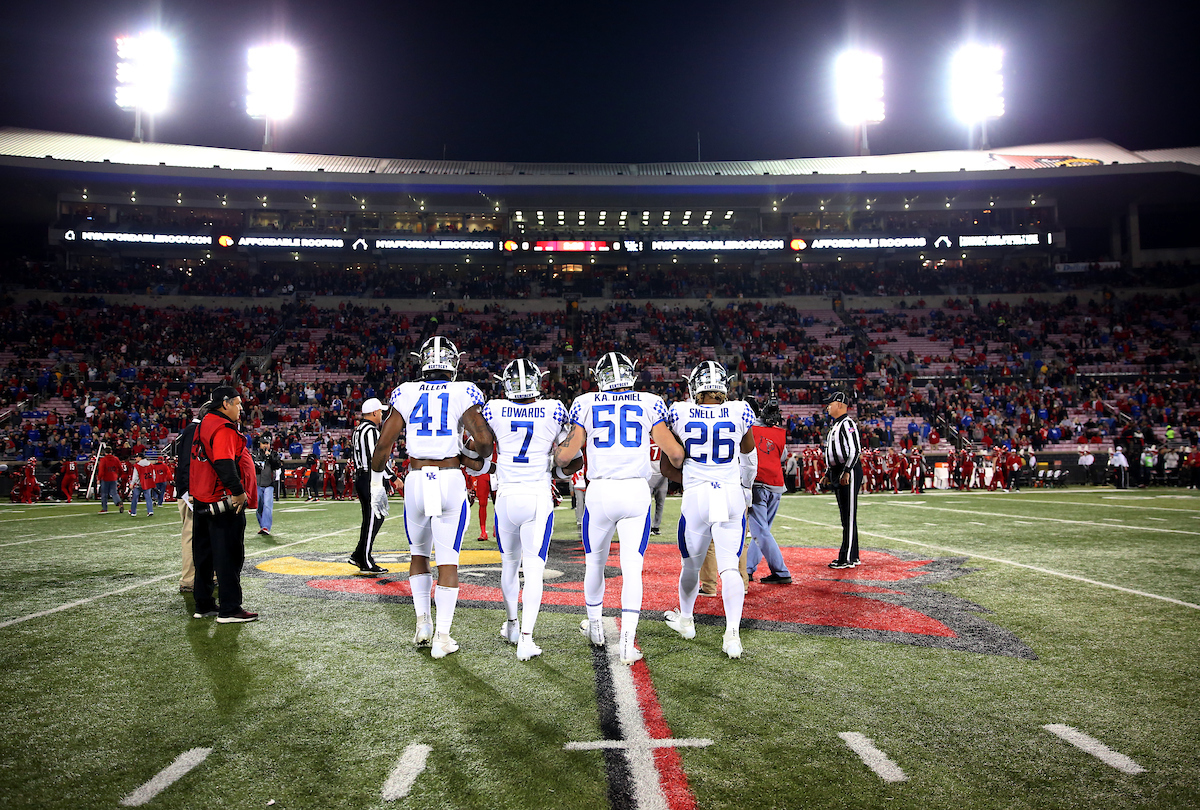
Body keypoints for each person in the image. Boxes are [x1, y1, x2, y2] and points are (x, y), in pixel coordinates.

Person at [554, 351, 685, 666]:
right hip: (635, 491)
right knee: (632, 569)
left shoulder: (585, 402)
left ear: (600, 377)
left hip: (599, 491)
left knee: (594, 564)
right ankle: (627, 644)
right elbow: (676, 456)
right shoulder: (650, 402)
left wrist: (562, 451)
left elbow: (564, 457)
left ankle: (596, 628)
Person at [370, 336, 495, 659]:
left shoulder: (407, 391)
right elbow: (483, 440)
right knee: (448, 559)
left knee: (418, 554)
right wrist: (474, 456)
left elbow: (385, 444)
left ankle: (423, 621)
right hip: (448, 477)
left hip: (416, 479)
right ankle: (442, 636)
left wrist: (375, 482)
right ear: (453, 363)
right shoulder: (461, 390)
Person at [482, 358, 579, 661]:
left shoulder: (494, 408)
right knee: (534, 570)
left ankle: (512, 625)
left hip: (506, 497)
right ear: (538, 381)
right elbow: (567, 461)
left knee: (509, 566)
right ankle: (526, 638)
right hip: (536, 497)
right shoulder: (553, 409)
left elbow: (478, 448)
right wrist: (557, 469)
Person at [659, 361, 757, 659]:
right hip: (729, 494)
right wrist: (747, 492)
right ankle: (732, 636)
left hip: (697, 495)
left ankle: (687, 621)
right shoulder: (741, 409)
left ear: (695, 387)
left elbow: (668, 461)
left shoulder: (678, 410)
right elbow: (749, 458)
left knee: (690, 565)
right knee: (730, 568)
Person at [189, 386, 259, 623]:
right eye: (238, 403)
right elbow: (224, 462)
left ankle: (204, 603)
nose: (241, 408)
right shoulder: (223, 427)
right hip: (220, 499)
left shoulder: (204, 422)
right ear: (225, 404)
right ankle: (230, 608)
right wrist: (238, 492)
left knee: (204, 556)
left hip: (201, 497)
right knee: (228, 555)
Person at [744, 391, 792, 585]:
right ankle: (748, 568)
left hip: (758, 483)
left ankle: (781, 571)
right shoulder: (780, 433)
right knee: (763, 530)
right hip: (777, 484)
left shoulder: (748, 429)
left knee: (760, 531)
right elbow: (782, 456)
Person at [348, 398, 393, 573]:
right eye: (380, 412)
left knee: (373, 518)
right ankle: (364, 559)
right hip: (370, 477)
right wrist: (393, 477)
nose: (381, 415)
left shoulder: (358, 430)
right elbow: (378, 458)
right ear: (374, 413)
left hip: (361, 477)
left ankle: (359, 554)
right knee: (374, 518)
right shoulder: (371, 431)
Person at [824, 391, 862, 569]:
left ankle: (846, 558)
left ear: (840, 404)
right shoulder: (836, 425)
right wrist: (827, 472)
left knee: (848, 515)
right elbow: (832, 453)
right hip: (838, 470)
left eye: (830, 403)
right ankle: (852, 555)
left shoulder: (847, 424)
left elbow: (855, 449)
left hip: (849, 470)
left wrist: (847, 471)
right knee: (846, 516)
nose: (827, 406)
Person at [174, 404, 208, 594]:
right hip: (192, 493)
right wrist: (190, 492)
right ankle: (188, 579)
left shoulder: (192, 430)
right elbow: (188, 462)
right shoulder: (194, 431)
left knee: (202, 534)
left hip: (194, 490)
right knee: (191, 534)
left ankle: (205, 574)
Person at [253, 434, 281, 536]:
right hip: (257, 484)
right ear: (259, 444)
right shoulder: (255, 455)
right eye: (263, 443)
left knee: (267, 505)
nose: (265, 446)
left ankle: (266, 527)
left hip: (269, 484)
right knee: (259, 506)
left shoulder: (274, 454)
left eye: (267, 443)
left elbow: (277, 465)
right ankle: (262, 526)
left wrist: (269, 457)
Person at [647, 437, 669, 536]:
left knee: (660, 502)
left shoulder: (663, 438)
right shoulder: (646, 438)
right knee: (646, 503)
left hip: (662, 474)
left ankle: (655, 526)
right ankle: (646, 525)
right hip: (650, 474)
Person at [96, 447, 123, 514]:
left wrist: (99, 478)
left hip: (105, 478)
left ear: (105, 452)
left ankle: (104, 508)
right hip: (113, 477)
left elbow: (101, 470)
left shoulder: (103, 459)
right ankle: (119, 502)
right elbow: (120, 468)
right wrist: (118, 475)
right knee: (114, 492)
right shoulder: (116, 459)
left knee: (104, 494)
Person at [129, 452, 154, 517]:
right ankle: (150, 511)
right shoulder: (150, 465)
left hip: (139, 484)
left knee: (135, 498)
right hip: (147, 483)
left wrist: (132, 483)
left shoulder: (137, 466)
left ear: (140, 457)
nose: (135, 458)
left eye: (136, 457)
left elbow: (135, 476)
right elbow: (153, 474)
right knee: (148, 497)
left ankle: (133, 512)